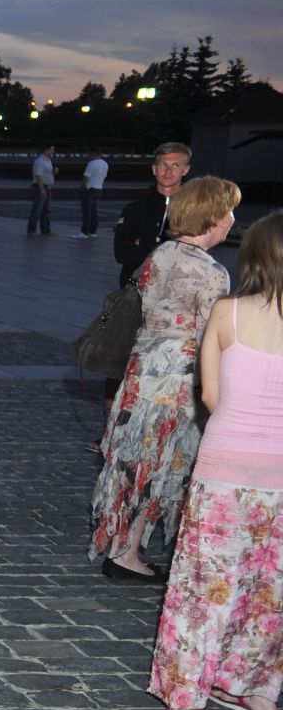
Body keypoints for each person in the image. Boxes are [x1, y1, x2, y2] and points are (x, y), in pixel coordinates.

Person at [148, 211, 283, 710]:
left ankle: (184, 700)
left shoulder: (226, 314)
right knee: (270, 587)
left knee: (205, 585)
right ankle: (260, 693)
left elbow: (208, 395)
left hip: (225, 467)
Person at [90, 177, 240, 582]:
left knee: (134, 461)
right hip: (177, 381)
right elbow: (212, 337)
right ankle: (125, 556)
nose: (232, 219)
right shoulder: (212, 273)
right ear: (212, 216)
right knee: (162, 465)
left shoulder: (161, 254)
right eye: (228, 210)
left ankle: (121, 547)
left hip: (141, 371)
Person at [113, 142, 192, 287]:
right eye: (163, 165)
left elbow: (193, 255)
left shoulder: (193, 210)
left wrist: (143, 245)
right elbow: (122, 253)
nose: (168, 171)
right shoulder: (134, 209)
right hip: (135, 292)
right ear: (154, 169)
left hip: (176, 292)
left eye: (175, 165)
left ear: (185, 170)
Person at [76, 146, 108, 240]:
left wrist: (82, 187)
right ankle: (93, 231)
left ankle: (84, 232)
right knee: (93, 211)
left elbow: (86, 177)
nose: (88, 155)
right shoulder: (105, 164)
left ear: (94, 153)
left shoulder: (92, 164)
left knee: (86, 211)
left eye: (89, 153)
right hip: (99, 188)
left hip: (89, 189)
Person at [27, 145, 55, 236]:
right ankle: (31, 230)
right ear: (46, 150)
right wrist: (42, 189)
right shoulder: (39, 161)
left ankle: (46, 229)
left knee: (46, 210)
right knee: (37, 209)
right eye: (51, 150)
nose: (52, 152)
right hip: (40, 187)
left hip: (47, 187)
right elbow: (38, 176)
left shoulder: (48, 161)